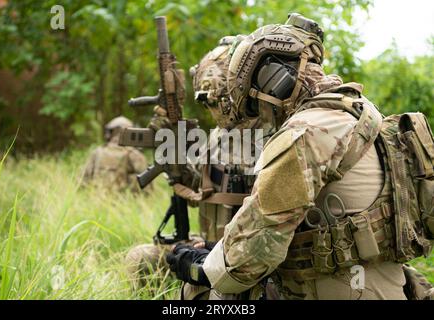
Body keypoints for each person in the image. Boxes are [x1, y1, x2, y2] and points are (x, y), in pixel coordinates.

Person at [166, 13, 434, 300]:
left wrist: (199, 267)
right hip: (381, 286)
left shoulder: (304, 133)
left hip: (336, 291)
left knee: (201, 292)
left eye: (254, 102)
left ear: (271, 80)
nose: (261, 115)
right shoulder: (363, 113)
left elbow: (247, 259)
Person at [125, 36, 275, 299]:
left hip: (246, 261)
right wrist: (175, 160)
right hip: (204, 247)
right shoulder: (219, 136)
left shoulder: (273, 137)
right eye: (205, 101)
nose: (212, 109)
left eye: (215, 100)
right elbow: (202, 188)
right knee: (142, 259)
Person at [82, 116, 148, 194]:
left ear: (110, 133)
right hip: (125, 203)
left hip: (97, 200)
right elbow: (147, 187)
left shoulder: (97, 152)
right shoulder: (134, 155)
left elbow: (83, 181)